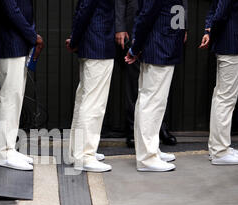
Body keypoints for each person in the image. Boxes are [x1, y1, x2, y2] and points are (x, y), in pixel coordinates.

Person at [115, 0, 186, 148]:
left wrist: (181, 25)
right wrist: (120, 27)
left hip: (166, 25)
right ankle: (136, 134)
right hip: (137, 23)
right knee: (140, 86)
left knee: (158, 90)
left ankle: (158, 131)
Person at [0, 0, 44, 171]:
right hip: (10, 42)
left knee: (15, 97)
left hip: (18, 43)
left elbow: (25, 8)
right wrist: (32, 36)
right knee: (9, 98)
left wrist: (30, 36)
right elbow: (11, 10)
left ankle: (9, 148)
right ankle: (2, 153)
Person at [65, 0, 115, 172]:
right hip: (98, 45)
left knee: (85, 100)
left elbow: (82, 10)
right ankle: (85, 155)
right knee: (93, 104)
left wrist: (75, 39)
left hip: (93, 43)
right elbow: (85, 10)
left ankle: (76, 151)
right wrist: (74, 40)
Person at [199, 0, 238, 165]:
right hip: (231, 43)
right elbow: (220, 12)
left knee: (221, 97)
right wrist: (212, 31)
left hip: (227, 42)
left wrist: (209, 30)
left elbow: (214, 8)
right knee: (225, 99)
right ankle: (220, 152)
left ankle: (218, 147)